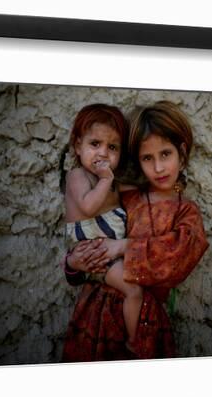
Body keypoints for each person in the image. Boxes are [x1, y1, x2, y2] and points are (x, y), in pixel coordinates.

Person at [62, 101, 209, 361]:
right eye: (147, 158)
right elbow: (85, 251)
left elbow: (178, 258)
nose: (159, 168)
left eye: (166, 154)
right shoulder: (124, 199)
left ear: (182, 153)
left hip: (143, 321)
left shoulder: (185, 212)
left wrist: (122, 246)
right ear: (136, 160)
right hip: (95, 316)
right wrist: (74, 262)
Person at [64, 104, 144, 352]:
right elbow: (88, 206)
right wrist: (107, 179)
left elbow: (141, 189)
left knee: (134, 288)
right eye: (95, 144)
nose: (103, 154)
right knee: (134, 290)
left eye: (112, 147)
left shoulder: (112, 182)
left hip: (107, 255)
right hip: (95, 255)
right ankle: (134, 341)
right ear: (78, 146)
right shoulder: (78, 176)